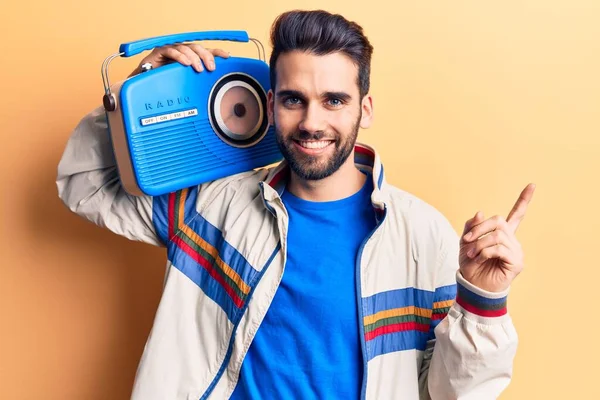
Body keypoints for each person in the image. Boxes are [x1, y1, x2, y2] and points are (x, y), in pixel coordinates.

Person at [56, 9, 535, 400]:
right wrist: (142, 88)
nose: (311, 121)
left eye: (333, 100)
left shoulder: (422, 235)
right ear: (269, 101)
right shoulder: (210, 204)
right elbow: (84, 183)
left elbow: (452, 394)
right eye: (293, 99)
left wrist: (483, 302)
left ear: (364, 109)